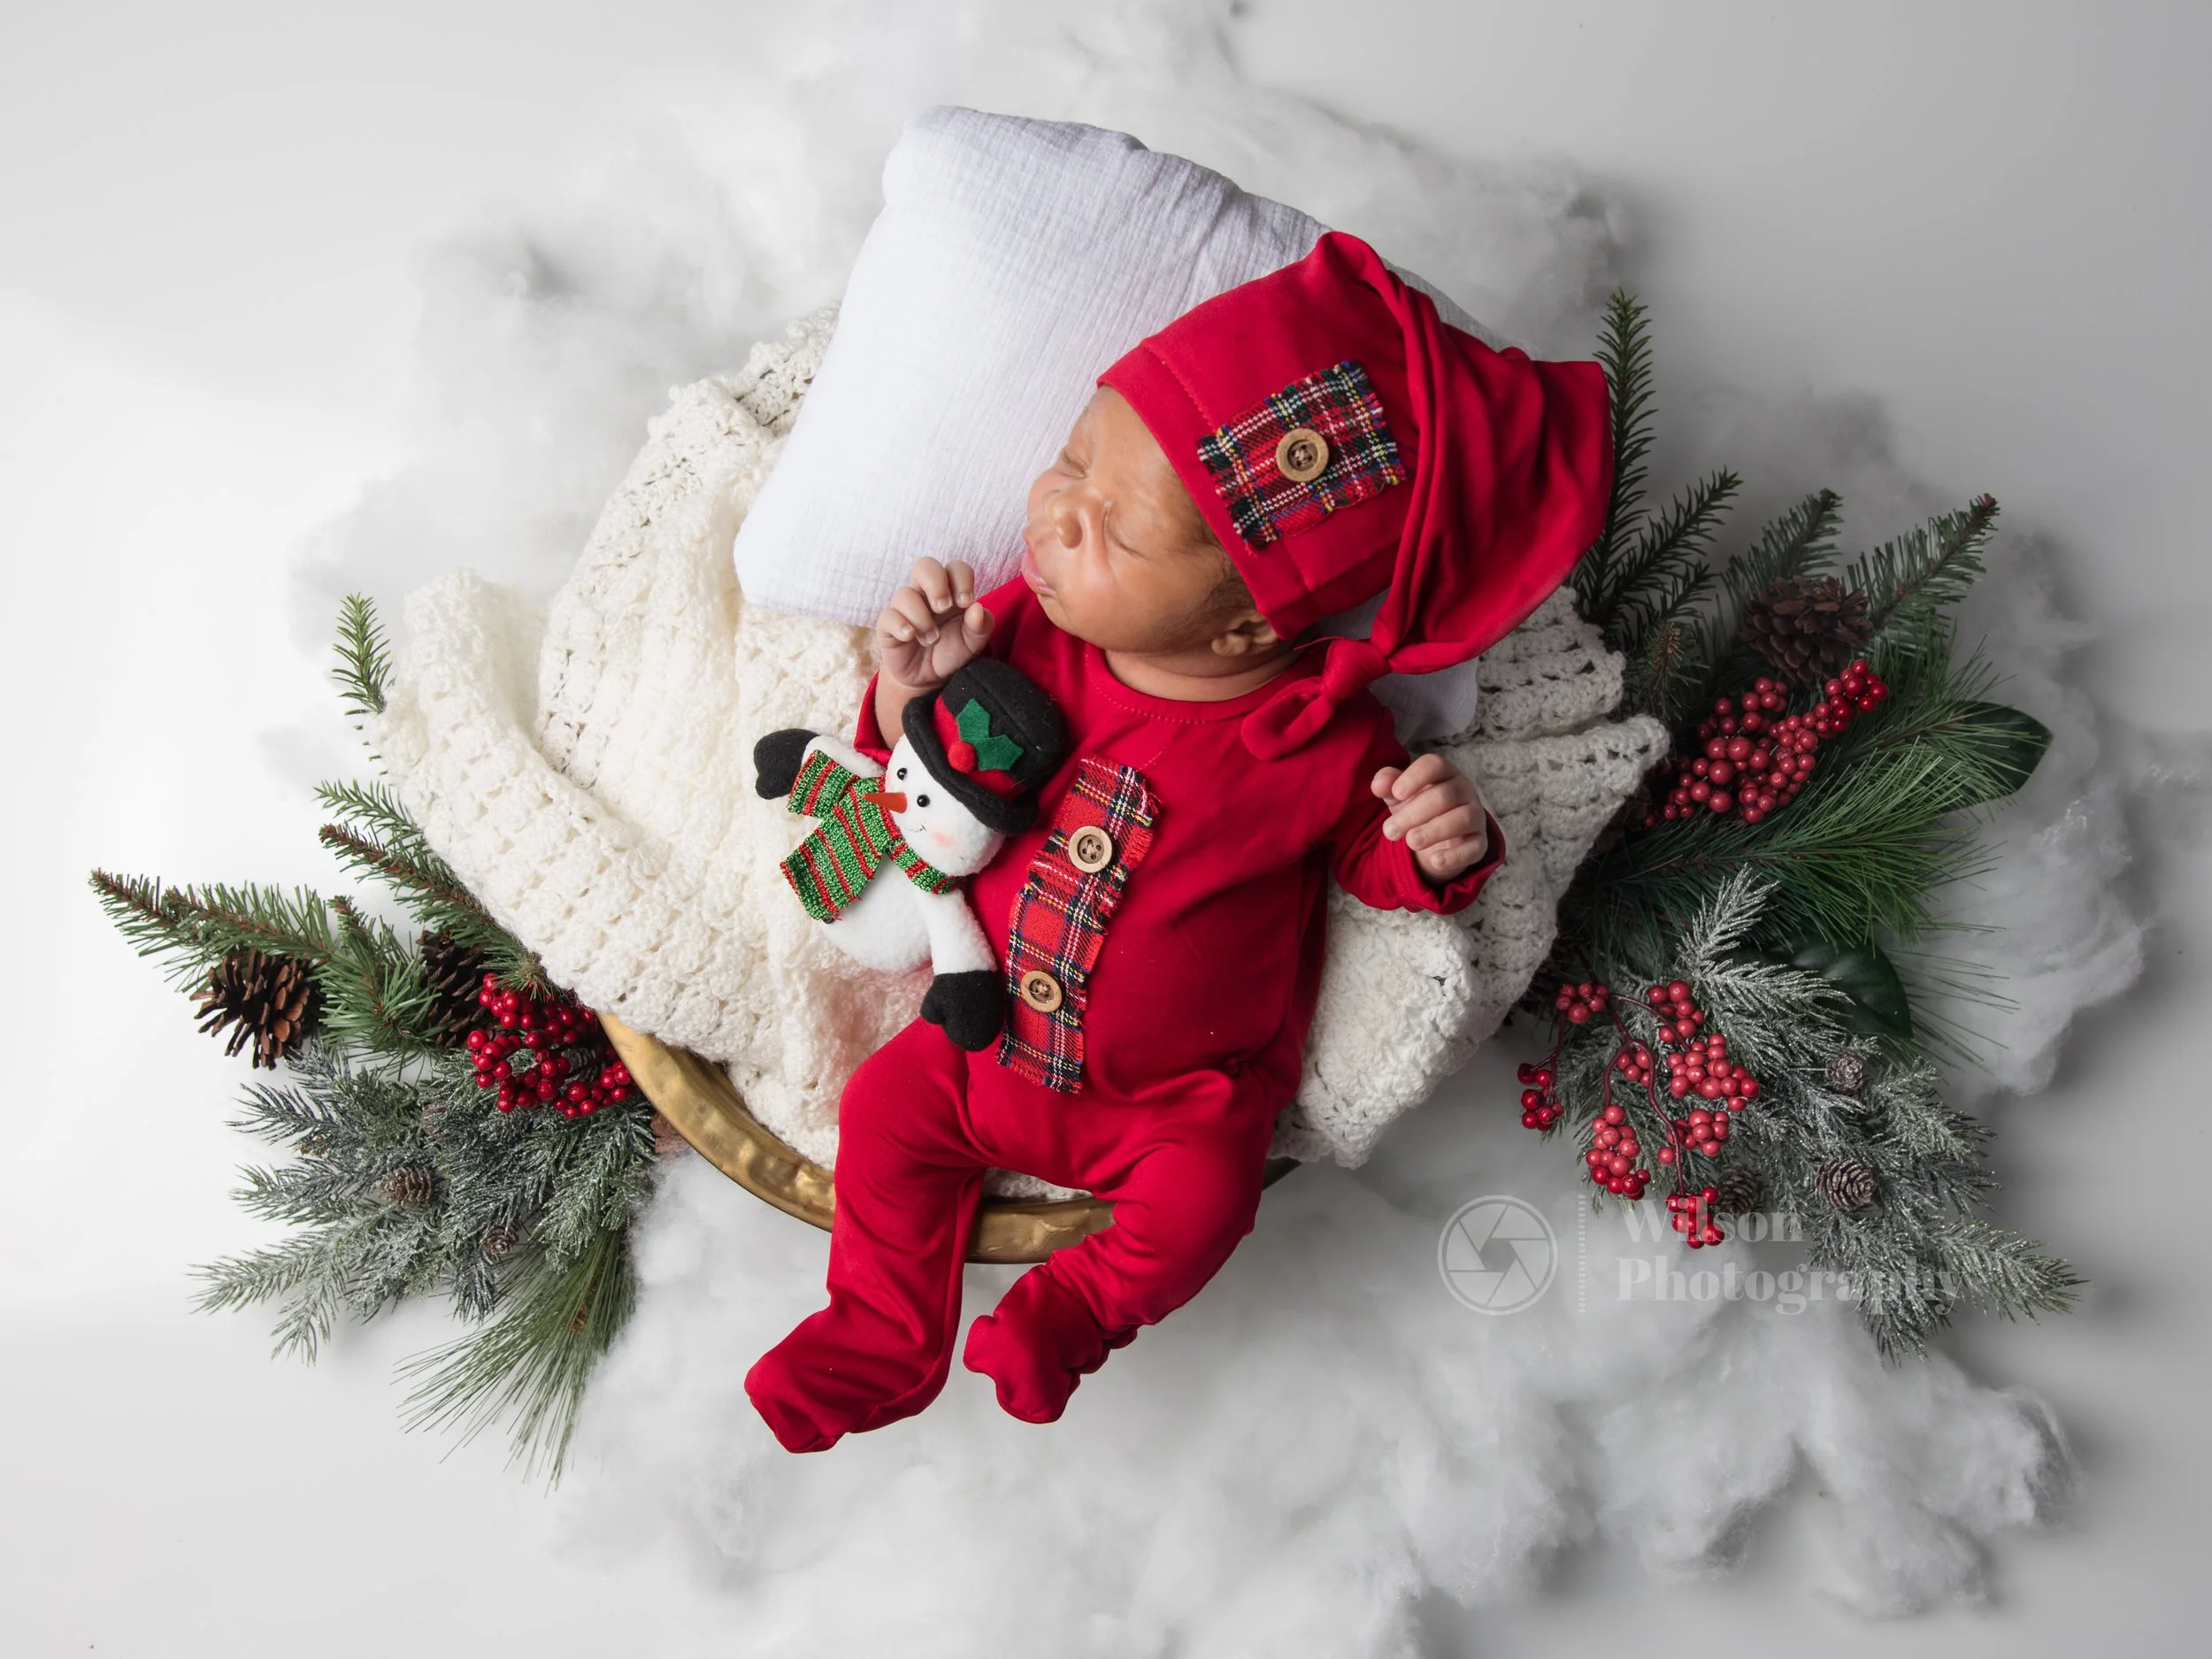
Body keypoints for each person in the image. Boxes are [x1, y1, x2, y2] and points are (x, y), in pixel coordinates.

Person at [745, 229, 1613, 1451]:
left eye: (1113, 529)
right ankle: (880, 1333)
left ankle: (1071, 1313)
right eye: (1069, 460)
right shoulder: (1022, 635)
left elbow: (1372, 865)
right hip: (974, 1042)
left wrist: (1435, 844)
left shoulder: (1316, 736)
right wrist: (909, 681)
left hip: (1174, 1104)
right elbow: (914, 778)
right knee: (884, 1115)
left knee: (1208, 1199)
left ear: (1245, 627)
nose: (1057, 513)